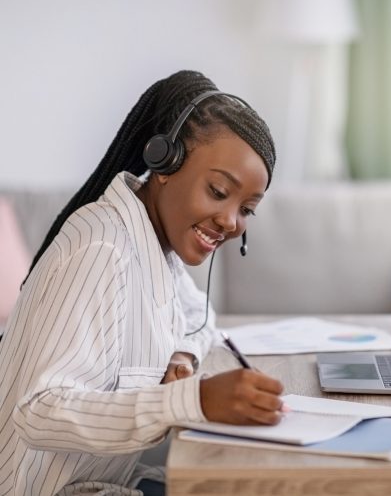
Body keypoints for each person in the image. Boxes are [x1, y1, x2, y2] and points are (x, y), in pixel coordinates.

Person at [0, 70, 284, 495]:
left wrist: (183, 356)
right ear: (165, 162)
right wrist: (194, 401)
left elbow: (199, 315)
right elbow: (38, 411)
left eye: (247, 209)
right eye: (219, 191)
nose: (231, 222)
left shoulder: (155, 246)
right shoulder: (104, 249)